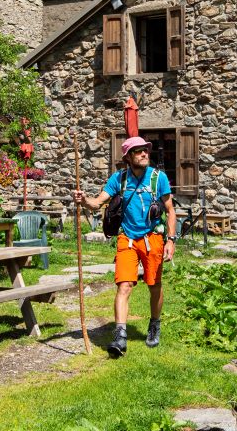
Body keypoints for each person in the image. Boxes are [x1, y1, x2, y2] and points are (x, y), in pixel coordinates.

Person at [73, 135, 176, 357]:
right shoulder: (119, 179)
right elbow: (96, 203)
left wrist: (171, 240)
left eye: (146, 150)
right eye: (139, 151)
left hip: (153, 237)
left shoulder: (159, 178)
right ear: (128, 156)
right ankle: (120, 336)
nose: (144, 154)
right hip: (126, 238)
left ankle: (154, 324)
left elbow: (170, 210)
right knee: (124, 286)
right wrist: (83, 200)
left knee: (154, 285)